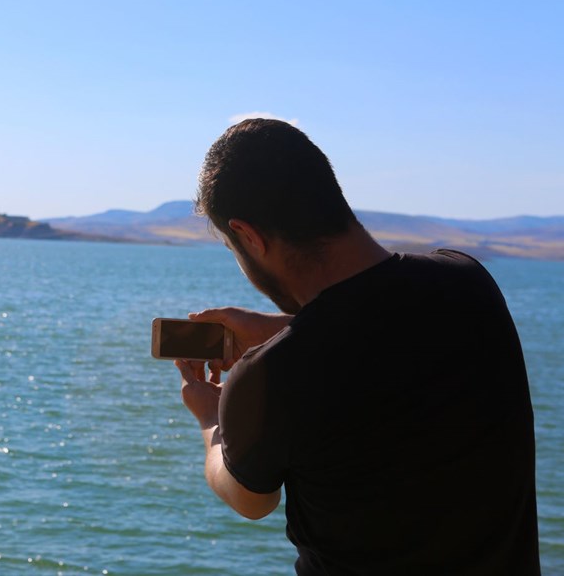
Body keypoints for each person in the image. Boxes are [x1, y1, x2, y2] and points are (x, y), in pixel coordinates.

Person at [175, 118, 541, 575]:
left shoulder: (273, 375)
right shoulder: (469, 282)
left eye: (235, 249)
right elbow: (378, 334)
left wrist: (210, 417)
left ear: (249, 236)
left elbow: (250, 498)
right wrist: (283, 329)